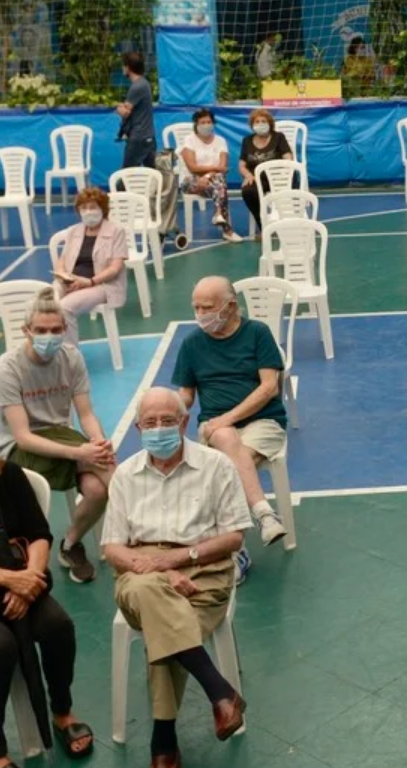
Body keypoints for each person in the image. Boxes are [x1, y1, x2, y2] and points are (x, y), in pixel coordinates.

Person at [102, 387, 250, 768]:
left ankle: (164, 740)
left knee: (163, 626)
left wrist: (177, 560)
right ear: (138, 429)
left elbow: (234, 537)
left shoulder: (217, 466)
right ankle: (218, 692)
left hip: (203, 567)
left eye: (168, 420)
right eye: (150, 422)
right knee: (155, 600)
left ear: (184, 423)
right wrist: (162, 571)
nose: (159, 428)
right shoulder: (125, 475)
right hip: (140, 569)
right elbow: (113, 548)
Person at [171, 276, 289, 583]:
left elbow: (269, 387)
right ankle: (263, 514)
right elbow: (186, 395)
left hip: (263, 422)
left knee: (223, 467)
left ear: (231, 306)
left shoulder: (257, 333)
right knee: (224, 439)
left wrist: (227, 418)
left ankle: (236, 552)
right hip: (216, 428)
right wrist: (168, 408)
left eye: (207, 307)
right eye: (196, 307)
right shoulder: (192, 343)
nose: (200, 314)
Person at [0, 288, 113, 584]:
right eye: (40, 330)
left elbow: (86, 414)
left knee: (97, 490)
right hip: (18, 450)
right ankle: (146, 528)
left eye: (55, 330)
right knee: (106, 466)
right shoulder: (7, 368)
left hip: (62, 437)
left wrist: (97, 440)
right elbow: (23, 437)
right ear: (26, 330)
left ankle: (70, 544)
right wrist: (81, 453)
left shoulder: (71, 357)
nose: (48, 336)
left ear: (65, 329)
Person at [0, 459, 94, 765]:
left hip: (23, 579)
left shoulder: (7, 473)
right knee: (2, 647)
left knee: (57, 626)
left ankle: (62, 711)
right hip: (7, 579)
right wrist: (8, 579)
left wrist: (29, 580)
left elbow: (39, 533)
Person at [51, 188, 128, 346]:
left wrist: (90, 281)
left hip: (101, 285)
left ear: (103, 209)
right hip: (72, 281)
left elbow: (115, 268)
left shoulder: (116, 231)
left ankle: (70, 354)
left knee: (64, 308)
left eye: (92, 207)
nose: (88, 212)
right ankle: (52, 349)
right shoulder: (73, 231)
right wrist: (62, 275)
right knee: (44, 305)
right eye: (83, 208)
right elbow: (62, 259)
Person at [177, 109, 243, 244]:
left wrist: (207, 176)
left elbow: (223, 166)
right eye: (202, 122)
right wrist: (213, 171)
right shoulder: (189, 140)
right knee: (221, 185)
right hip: (190, 181)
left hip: (212, 181)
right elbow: (192, 167)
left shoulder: (220, 141)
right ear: (196, 124)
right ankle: (226, 228)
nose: (206, 125)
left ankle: (219, 216)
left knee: (219, 182)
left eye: (209, 122)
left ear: (213, 123)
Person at [238, 108, 294, 235]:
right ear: (252, 125)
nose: (260, 124)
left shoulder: (279, 137)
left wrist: (282, 174)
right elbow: (242, 165)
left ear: (270, 123)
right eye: (257, 122)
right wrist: (248, 175)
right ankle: (263, 225)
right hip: (258, 179)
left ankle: (287, 224)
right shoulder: (247, 141)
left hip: (279, 178)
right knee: (248, 191)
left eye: (263, 121)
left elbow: (288, 159)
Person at [116, 51, 156, 169]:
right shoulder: (144, 83)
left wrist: (118, 108)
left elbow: (125, 113)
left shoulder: (137, 87)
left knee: (125, 175)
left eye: (124, 65)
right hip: (147, 137)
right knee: (153, 174)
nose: (122, 68)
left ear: (128, 67)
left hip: (138, 139)